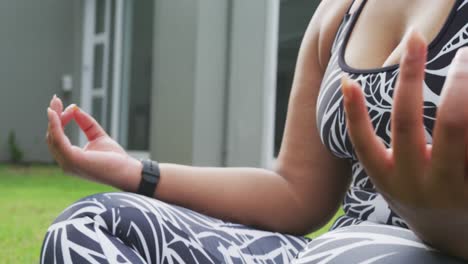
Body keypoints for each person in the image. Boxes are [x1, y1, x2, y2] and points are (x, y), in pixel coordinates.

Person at [41, 0, 468, 263]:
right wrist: (138, 173)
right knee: (88, 229)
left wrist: (444, 224)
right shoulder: (340, 11)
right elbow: (296, 192)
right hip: (329, 252)